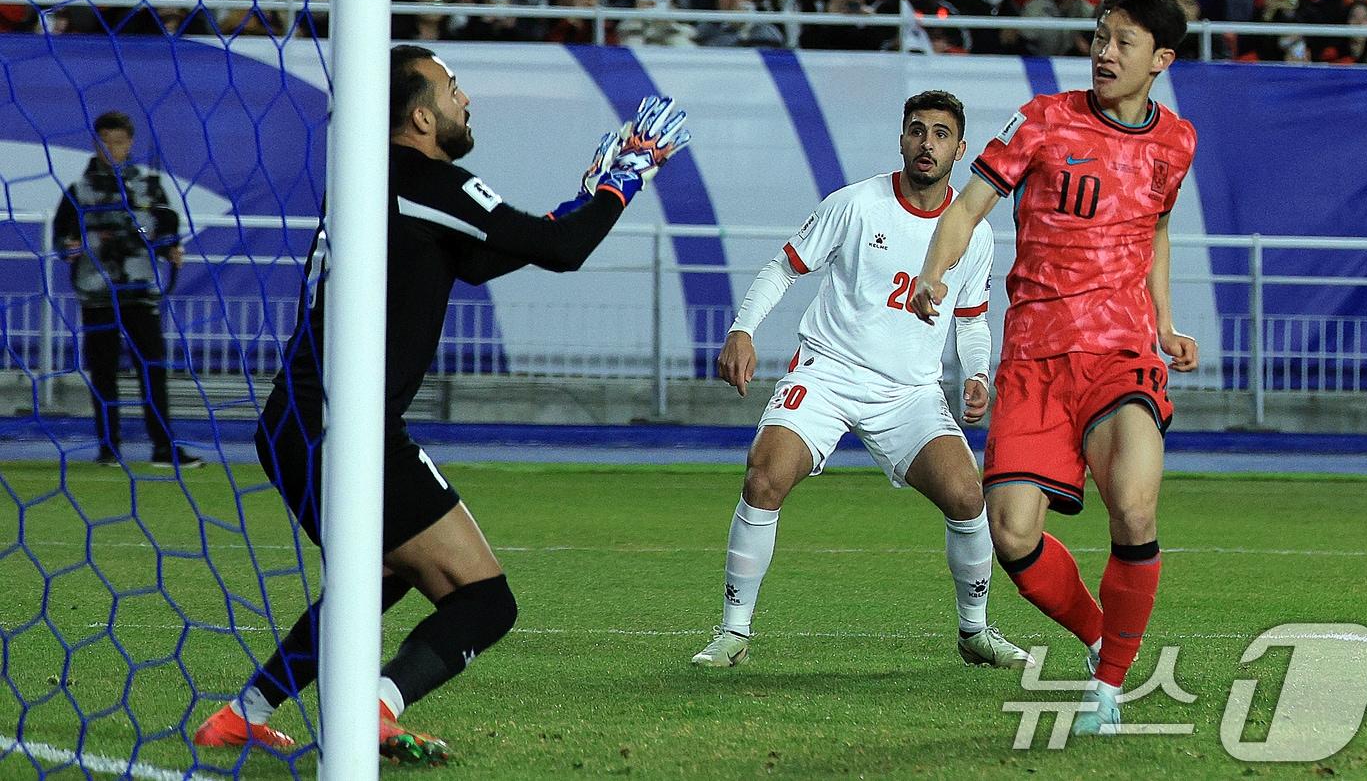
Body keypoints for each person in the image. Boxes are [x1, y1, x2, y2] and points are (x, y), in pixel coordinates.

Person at [195, 51, 691, 761]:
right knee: (486, 600)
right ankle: (371, 713)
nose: (467, 101)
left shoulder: (376, 179)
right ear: (423, 117)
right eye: (454, 90)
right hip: (345, 430)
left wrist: (583, 201)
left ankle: (242, 715)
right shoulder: (429, 181)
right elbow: (560, 251)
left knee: (378, 579)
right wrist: (624, 179)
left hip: (300, 426)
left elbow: (487, 255)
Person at [909, 0, 1198, 736]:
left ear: (1160, 59)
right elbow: (968, 207)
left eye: (1123, 42)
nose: (1105, 53)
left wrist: (1165, 325)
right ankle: (1105, 637)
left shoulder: (1177, 141)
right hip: (1036, 358)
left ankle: (1107, 687)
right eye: (1100, 37)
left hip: (1121, 351)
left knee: (1133, 502)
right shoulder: (1042, 121)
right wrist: (934, 273)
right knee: (1011, 533)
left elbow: (1156, 228)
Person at [693, 91, 1031, 672]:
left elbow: (972, 319)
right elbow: (784, 267)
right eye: (917, 130)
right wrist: (743, 330)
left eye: (941, 134)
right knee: (765, 476)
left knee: (967, 496)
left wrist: (977, 373)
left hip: (909, 393)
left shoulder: (973, 232)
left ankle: (975, 631)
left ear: (960, 149)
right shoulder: (855, 205)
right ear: (901, 139)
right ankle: (732, 632)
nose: (927, 143)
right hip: (828, 372)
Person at [53, 110, 201, 468]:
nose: (111, 149)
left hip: (140, 292)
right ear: (95, 143)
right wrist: (69, 247)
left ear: (130, 143)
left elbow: (164, 230)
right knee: (103, 372)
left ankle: (163, 447)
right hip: (97, 293)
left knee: (152, 370)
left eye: (118, 142)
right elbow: (61, 237)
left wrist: (170, 250)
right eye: (105, 141)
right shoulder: (78, 191)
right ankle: (109, 448)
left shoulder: (149, 187)